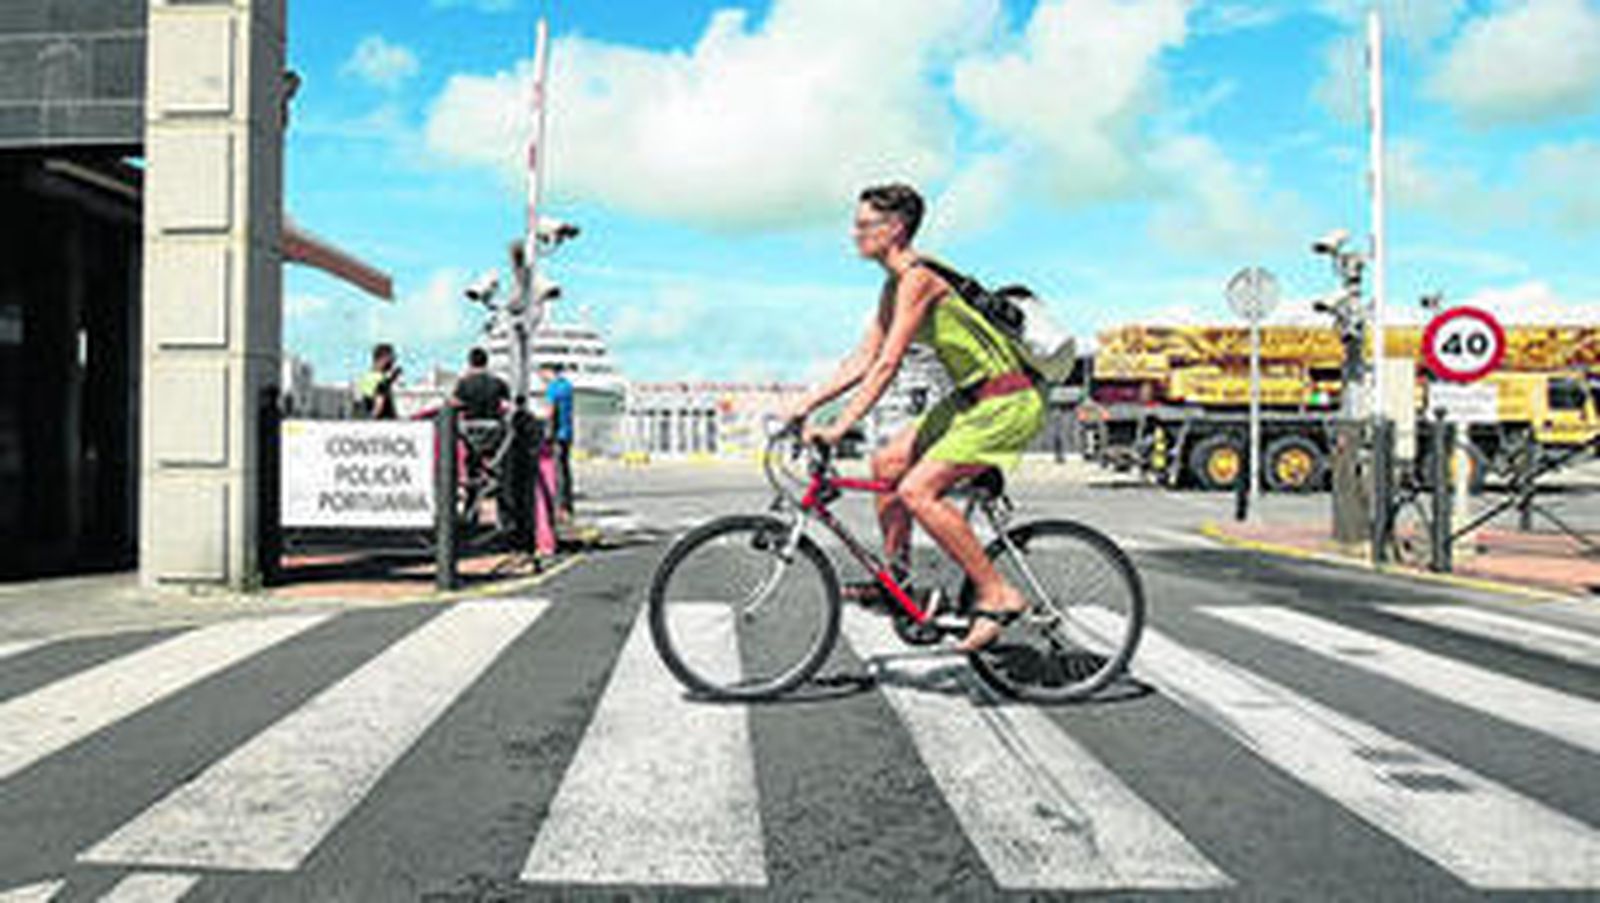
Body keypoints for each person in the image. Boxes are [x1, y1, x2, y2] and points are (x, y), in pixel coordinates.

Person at [785, 183, 1046, 652]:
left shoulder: (918, 279)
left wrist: (842, 426)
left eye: (865, 225)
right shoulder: (894, 284)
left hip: (1005, 401)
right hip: (968, 401)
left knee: (916, 490)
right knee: (886, 464)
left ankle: (997, 592)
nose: (854, 233)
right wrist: (806, 404)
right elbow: (863, 358)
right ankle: (899, 583)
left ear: (896, 228)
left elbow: (889, 364)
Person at [541, 363, 576, 518]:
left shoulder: (553, 388)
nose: (542, 378)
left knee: (557, 471)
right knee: (565, 470)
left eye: (542, 374)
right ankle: (567, 505)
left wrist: (546, 433)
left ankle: (560, 507)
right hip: (568, 433)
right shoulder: (567, 386)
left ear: (549, 372)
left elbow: (550, 411)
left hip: (557, 434)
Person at [452, 347, 510, 420]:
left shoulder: (463, 383)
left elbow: (455, 403)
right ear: (486, 363)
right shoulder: (499, 382)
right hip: (493, 422)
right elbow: (506, 405)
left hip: (469, 423)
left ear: (470, 363)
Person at [356, 343, 400, 420]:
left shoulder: (365, 378)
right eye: (392, 360)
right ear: (384, 359)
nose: (393, 364)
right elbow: (378, 406)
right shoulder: (382, 380)